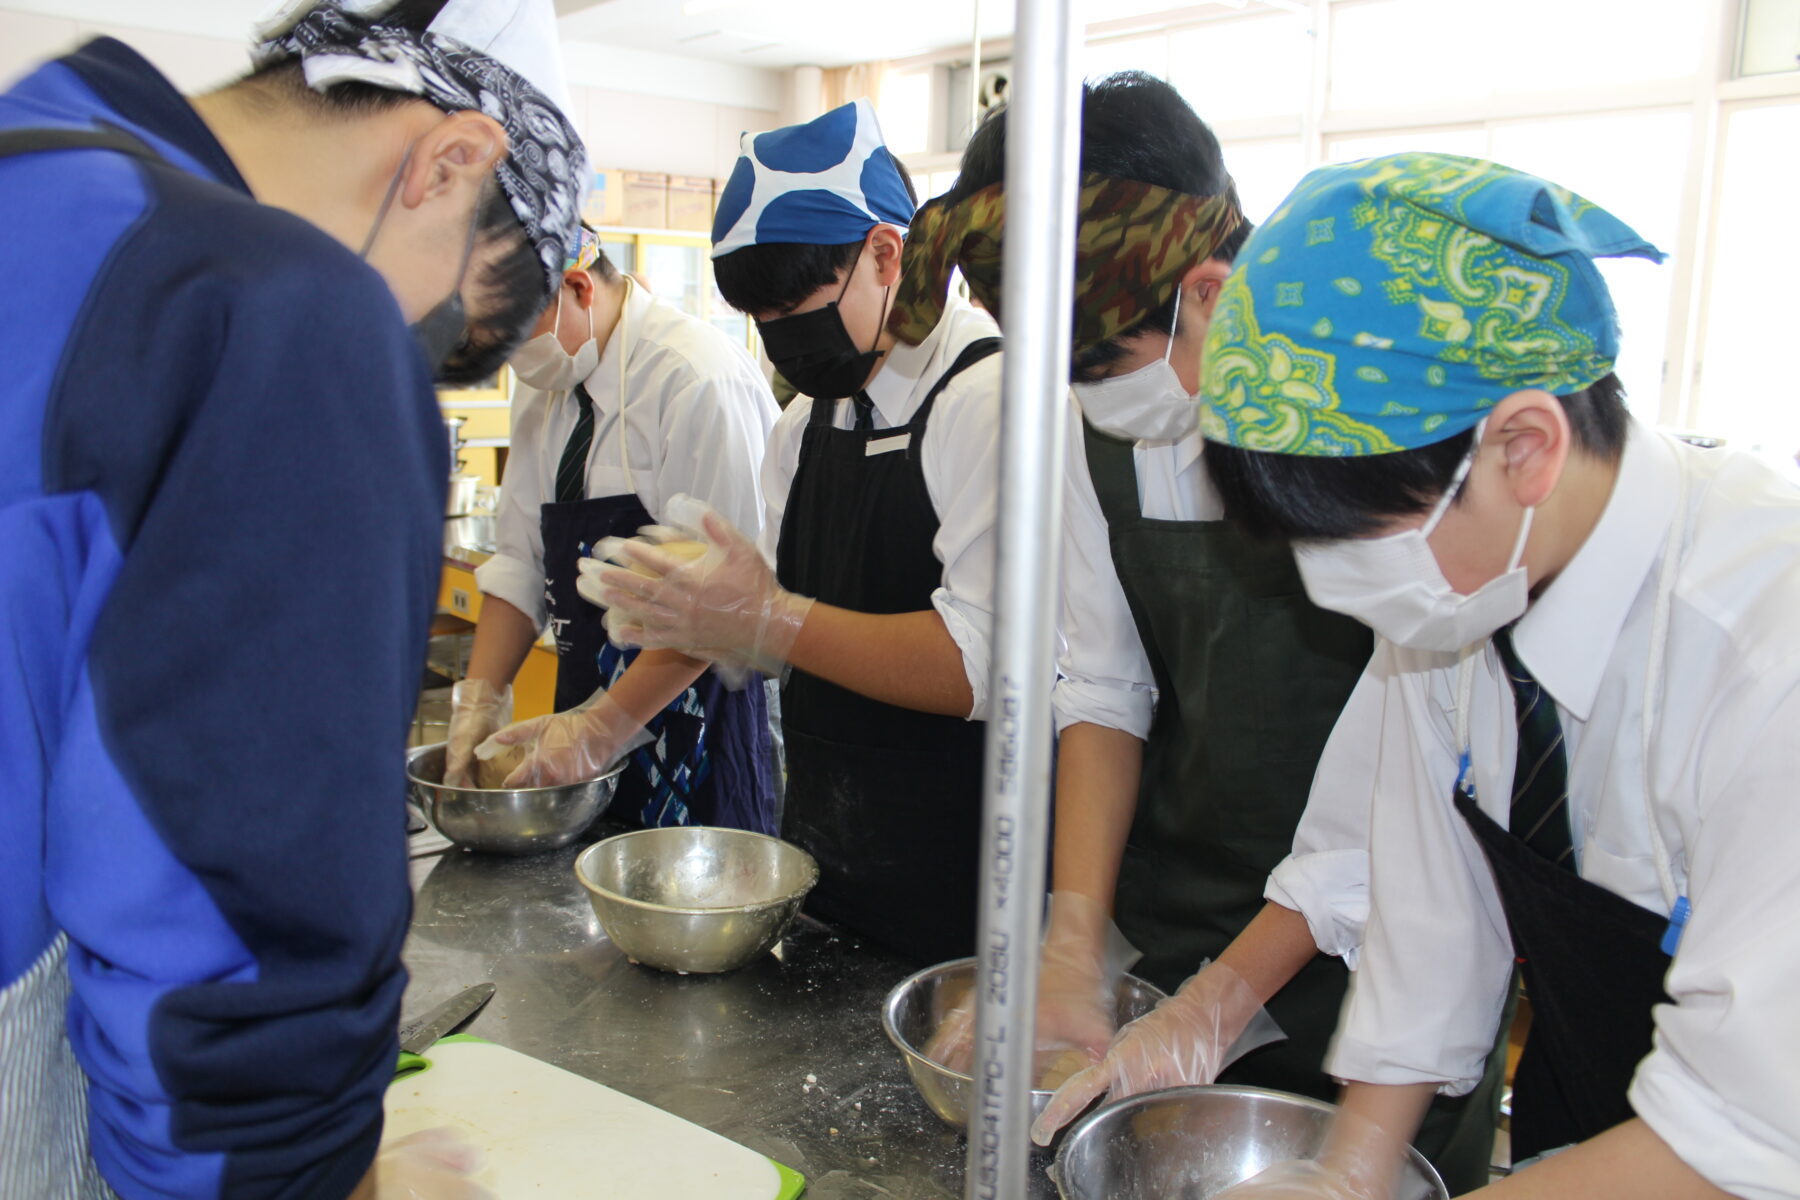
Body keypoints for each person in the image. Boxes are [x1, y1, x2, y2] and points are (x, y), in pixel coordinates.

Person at [0, 0, 584, 1195]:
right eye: (433, 335)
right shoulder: (278, 309)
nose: (400, 357)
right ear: (451, 159)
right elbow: (226, 897)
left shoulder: (34, 167)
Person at [905, 76, 1502, 1190]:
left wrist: (1234, 998)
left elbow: (1417, 778)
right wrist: (1077, 935)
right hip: (1193, 912)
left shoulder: (1366, 405)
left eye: (1101, 366)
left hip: (1398, 945)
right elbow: (1102, 682)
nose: (1102, 401)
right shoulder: (1093, 434)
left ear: (1207, 292)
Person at [1188, 152, 1800, 1198]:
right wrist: (1348, 1172)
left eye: (1354, 537)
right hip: (1598, 1121)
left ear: (1524, 448)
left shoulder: (1761, 650)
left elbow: (1747, 1128)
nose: (1334, 585)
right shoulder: (1461, 589)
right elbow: (1430, 923)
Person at [582, 99, 1007, 964]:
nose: (782, 342)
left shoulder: (985, 400)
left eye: (798, 308)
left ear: (888, 253)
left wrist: (770, 621)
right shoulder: (803, 425)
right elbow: (743, 619)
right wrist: (598, 728)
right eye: (760, 320)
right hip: (828, 865)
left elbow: (982, 668)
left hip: (970, 892)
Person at [443, 223, 780, 836]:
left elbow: (725, 603)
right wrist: (479, 698)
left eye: (514, 341)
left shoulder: (696, 380)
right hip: (576, 736)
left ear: (577, 287)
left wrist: (603, 728)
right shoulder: (545, 391)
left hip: (698, 733)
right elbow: (520, 561)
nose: (516, 364)